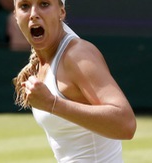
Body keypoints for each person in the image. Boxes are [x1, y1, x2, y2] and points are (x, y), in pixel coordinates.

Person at [13, 0, 136, 162]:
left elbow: (125, 125)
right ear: (15, 16)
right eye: (24, 6)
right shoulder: (43, 63)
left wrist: (52, 104)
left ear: (61, 12)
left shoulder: (77, 54)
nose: (34, 14)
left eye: (44, 4)